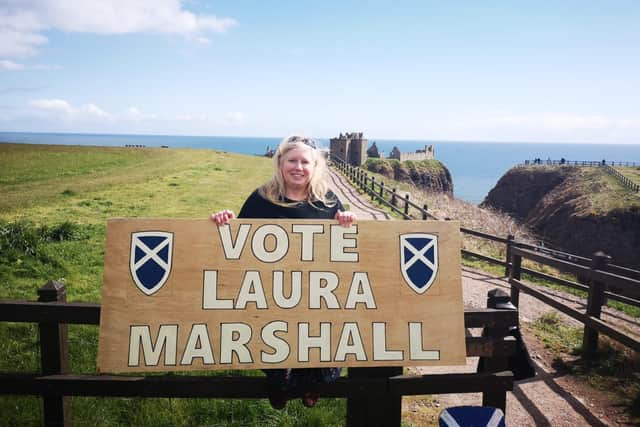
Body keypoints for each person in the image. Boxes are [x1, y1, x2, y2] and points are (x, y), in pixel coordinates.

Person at [211, 135, 356, 409]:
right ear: (280, 164)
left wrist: (347, 220)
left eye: (305, 161)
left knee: (328, 370)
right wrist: (223, 222)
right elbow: (236, 245)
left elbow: (346, 245)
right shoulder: (261, 198)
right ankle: (286, 387)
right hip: (271, 298)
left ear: (315, 166)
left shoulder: (327, 201)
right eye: (292, 160)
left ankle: (305, 385)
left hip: (317, 297)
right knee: (277, 362)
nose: (298, 167)